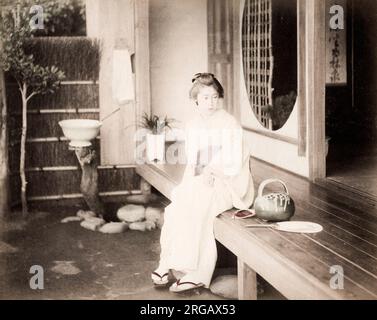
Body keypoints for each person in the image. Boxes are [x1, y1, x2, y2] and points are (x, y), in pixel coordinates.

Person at [151, 73, 255, 293]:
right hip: (202, 179)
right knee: (176, 206)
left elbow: (233, 160)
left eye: (215, 97)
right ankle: (167, 263)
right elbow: (194, 161)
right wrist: (202, 173)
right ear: (196, 100)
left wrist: (213, 171)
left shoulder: (229, 123)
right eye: (206, 97)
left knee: (200, 206)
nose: (211, 102)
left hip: (228, 183)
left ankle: (198, 273)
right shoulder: (193, 125)